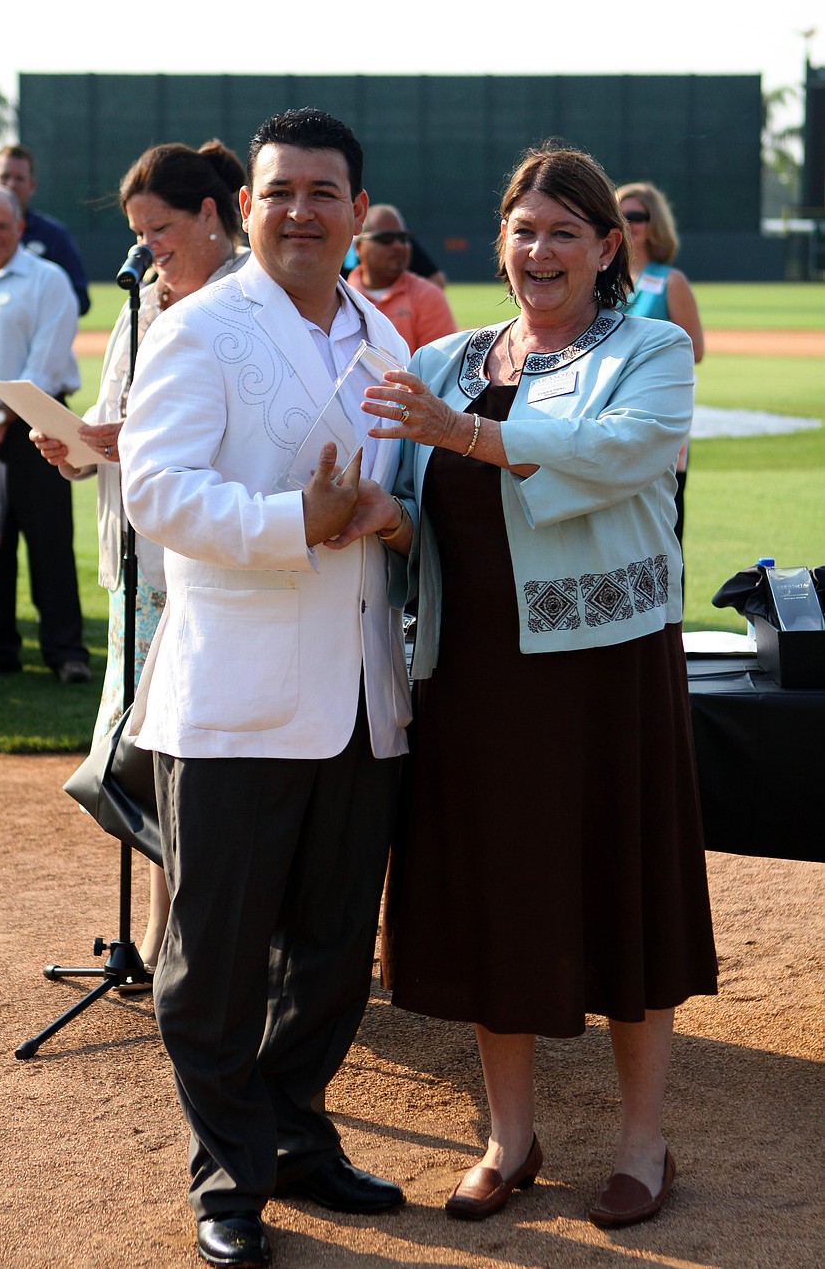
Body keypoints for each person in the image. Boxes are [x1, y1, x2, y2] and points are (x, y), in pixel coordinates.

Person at [329, 139, 718, 1230]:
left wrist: (465, 432)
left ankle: (643, 1142)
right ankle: (509, 1137)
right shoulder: (446, 356)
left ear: (606, 248)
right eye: (523, 231)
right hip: (472, 671)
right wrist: (383, 517)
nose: (539, 251)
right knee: (493, 891)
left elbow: (618, 452)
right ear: (499, 243)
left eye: (563, 233)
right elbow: (425, 508)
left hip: (604, 668)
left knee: (620, 888)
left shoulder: (650, 349)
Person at [119, 108, 412, 1268]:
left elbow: (399, 490)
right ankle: (229, 1172)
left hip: (361, 694)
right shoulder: (201, 328)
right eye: (279, 191)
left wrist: (389, 516)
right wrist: (300, 520)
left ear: (356, 211)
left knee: (333, 951)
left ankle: (294, 1134)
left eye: (322, 192)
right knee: (215, 957)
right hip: (236, 694)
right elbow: (158, 491)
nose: (300, 211)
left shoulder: (382, 333)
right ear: (245, 207)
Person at [30, 140, 249, 982]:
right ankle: (161, 937)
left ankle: (196, 941)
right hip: (139, 564)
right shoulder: (140, 303)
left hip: (206, 562)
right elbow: (110, 413)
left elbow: (243, 435)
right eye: (137, 231)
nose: (147, 246)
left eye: (160, 228)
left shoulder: (247, 300)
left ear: (209, 214)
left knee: (196, 755)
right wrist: (75, 447)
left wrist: (136, 439)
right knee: (148, 757)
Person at [0, 185, 90, 683]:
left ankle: (66, 653)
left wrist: (0, 421)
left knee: (49, 542)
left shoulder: (48, 279)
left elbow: (43, 365)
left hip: (37, 426)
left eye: (2, 225)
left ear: (20, 227)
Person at [616, 181, 705, 551]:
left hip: (658, 416)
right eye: (619, 215)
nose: (628, 223)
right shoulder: (601, 280)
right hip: (610, 417)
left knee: (666, 531)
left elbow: (694, 350)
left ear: (656, 224)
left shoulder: (671, 281)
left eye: (637, 216)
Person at [0, 143, 91, 315]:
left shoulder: (54, 235)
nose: (11, 184)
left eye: (19, 178)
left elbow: (80, 299)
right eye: (4, 177)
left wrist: (25, 303)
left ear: (32, 185)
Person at [346, 203, 457, 353]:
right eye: (386, 239)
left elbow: (439, 364)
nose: (398, 246)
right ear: (359, 247)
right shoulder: (340, 298)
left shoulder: (428, 296)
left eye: (403, 238)